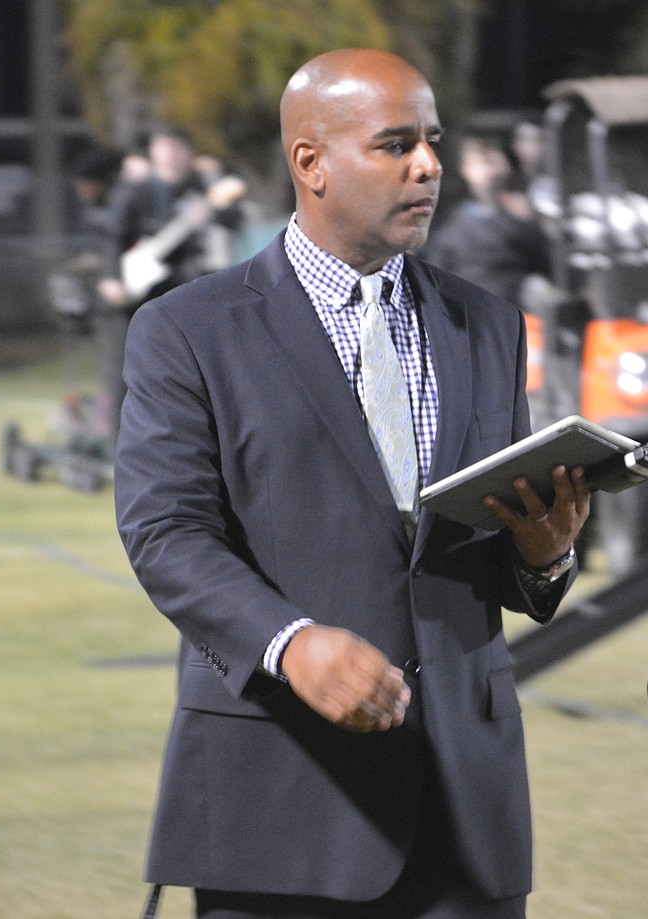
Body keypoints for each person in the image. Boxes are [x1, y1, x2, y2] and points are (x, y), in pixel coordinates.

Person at [115, 49, 589, 919]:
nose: (429, 165)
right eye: (396, 144)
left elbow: (480, 547)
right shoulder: (187, 329)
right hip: (282, 807)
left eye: (433, 141)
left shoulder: (487, 323)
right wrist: (290, 643)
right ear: (312, 163)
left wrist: (544, 555)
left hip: (467, 816)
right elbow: (165, 532)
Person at [97, 126, 245, 447]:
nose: (170, 154)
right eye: (163, 146)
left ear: (188, 153)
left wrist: (213, 209)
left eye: (177, 147)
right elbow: (114, 236)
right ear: (153, 151)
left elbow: (234, 217)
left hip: (184, 288)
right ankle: (118, 444)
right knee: (124, 365)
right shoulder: (135, 191)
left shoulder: (201, 189)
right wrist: (111, 277)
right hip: (138, 292)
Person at [424, 135, 552, 306]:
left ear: (506, 166)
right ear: (466, 169)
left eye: (495, 162)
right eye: (484, 163)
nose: (491, 172)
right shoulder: (452, 227)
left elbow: (547, 259)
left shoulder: (526, 213)